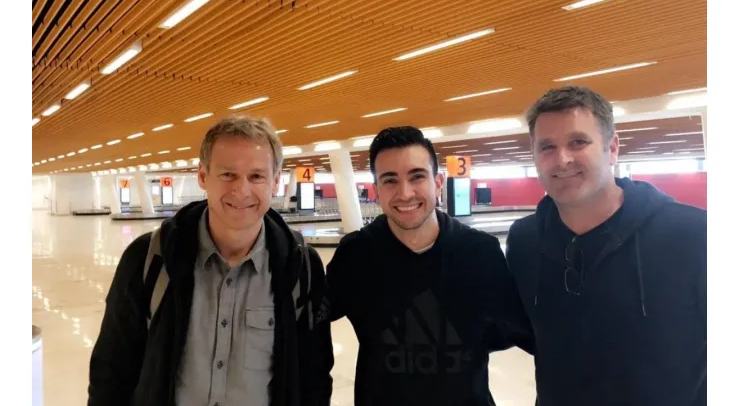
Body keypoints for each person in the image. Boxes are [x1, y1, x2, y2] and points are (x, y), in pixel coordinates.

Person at [88, 116, 334, 406]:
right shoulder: (150, 258)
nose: (241, 190)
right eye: (228, 174)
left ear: (275, 182)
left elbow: (314, 374)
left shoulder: (301, 266)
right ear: (203, 176)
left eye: (256, 176)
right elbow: (111, 369)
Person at [506, 86, 707, 406]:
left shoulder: (693, 233)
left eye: (578, 142)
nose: (562, 159)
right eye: (547, 147)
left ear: (612, 148)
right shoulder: (525, 241)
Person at [326, 126, 534, 406]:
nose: (405, 192)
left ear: (437, 182)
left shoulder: (478, 251)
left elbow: (514, 328)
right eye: (390, 180)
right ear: (376, 191)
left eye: (417, 176)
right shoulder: (356, 254)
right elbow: (307, 325)